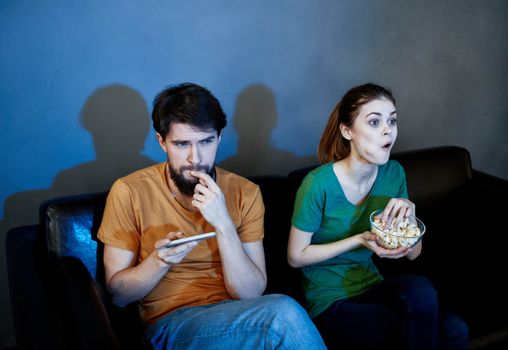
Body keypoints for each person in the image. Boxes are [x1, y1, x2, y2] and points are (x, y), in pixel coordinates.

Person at [97, 82, 326, 350]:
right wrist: (160, 260)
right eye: (182, 144)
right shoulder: (129, 191)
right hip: (173, 324)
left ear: (218, 137)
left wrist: (223, 223)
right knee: (283, 314)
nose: (196, 158)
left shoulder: (245, 192)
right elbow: (118, 295)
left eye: (206, 141)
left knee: (278, 315)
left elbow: (250, 293)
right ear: (162, 142)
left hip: (241, 317)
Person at [287, 83, 469, 349]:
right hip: (329, 299)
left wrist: (411, 215)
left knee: (444, 314)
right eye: (374, 122)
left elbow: (413, 253)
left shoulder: (393, 173)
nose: (388, 130)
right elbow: (295, 257)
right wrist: (359, 240)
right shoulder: (318, 184)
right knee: (429, 331)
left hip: (372, 285)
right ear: (347, 131)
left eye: (392, 121)